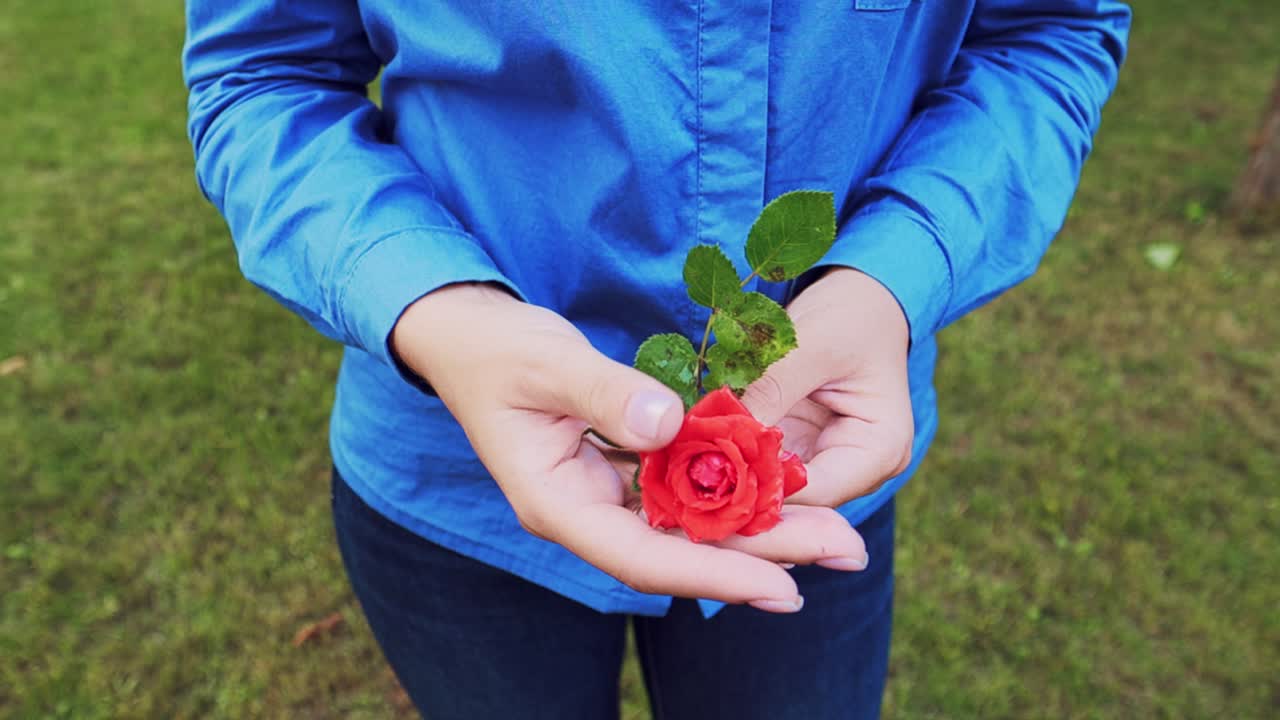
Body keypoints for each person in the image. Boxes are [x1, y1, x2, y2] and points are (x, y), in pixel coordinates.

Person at [183, 2, 1130, 718]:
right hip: (454, 477)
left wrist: (894, 274)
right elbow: (264, 76)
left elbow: (1046, 32)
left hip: (813, 471)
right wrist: (438, 309)